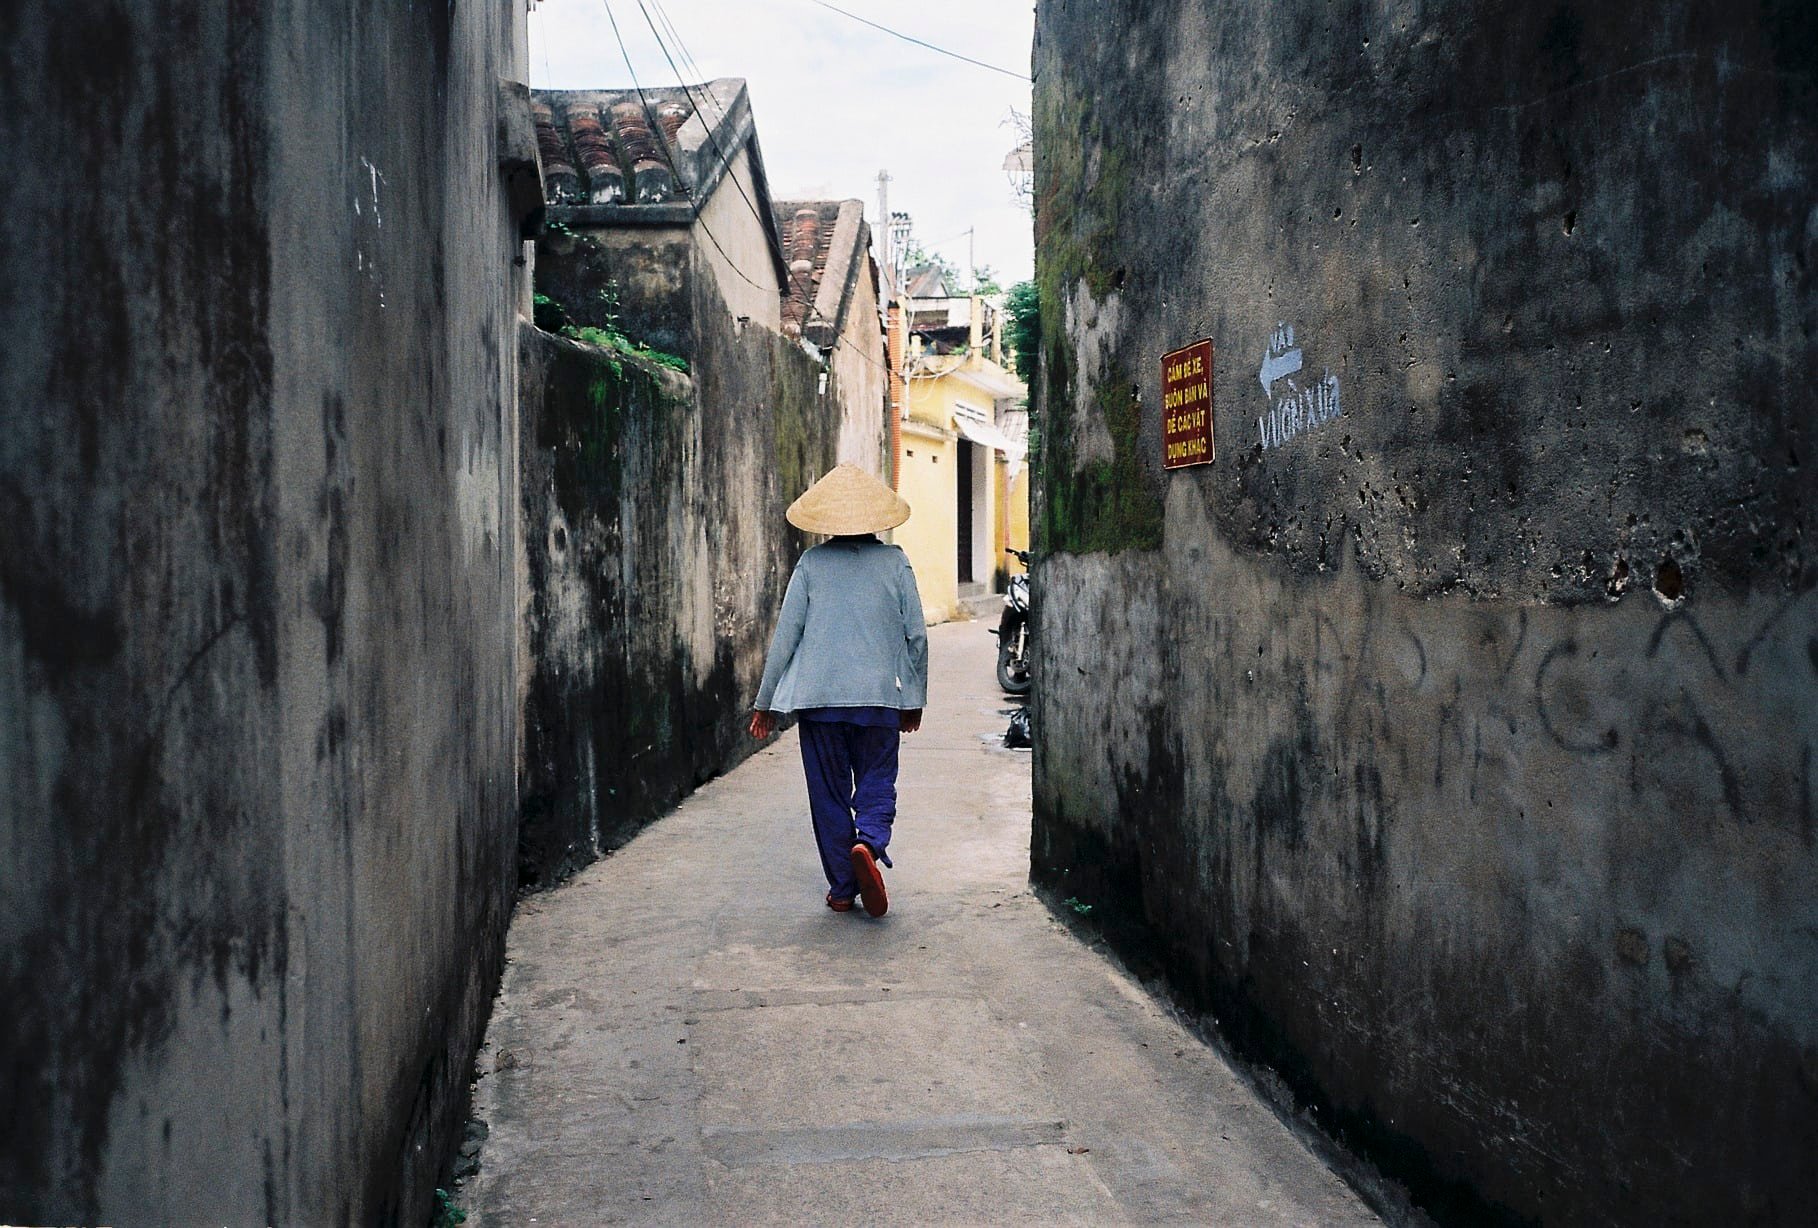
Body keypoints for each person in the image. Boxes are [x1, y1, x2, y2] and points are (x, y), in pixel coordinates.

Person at [749, 464, 928, 918]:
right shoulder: (895, 561)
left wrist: (765, 703)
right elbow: (916, 637)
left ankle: (844, 888)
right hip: (879, 699)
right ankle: (867, 840)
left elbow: (786, 636)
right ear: (875, 520)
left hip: (819, 702)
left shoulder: (811, 564)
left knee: (827, 793)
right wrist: (915, 698)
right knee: (877, 778)